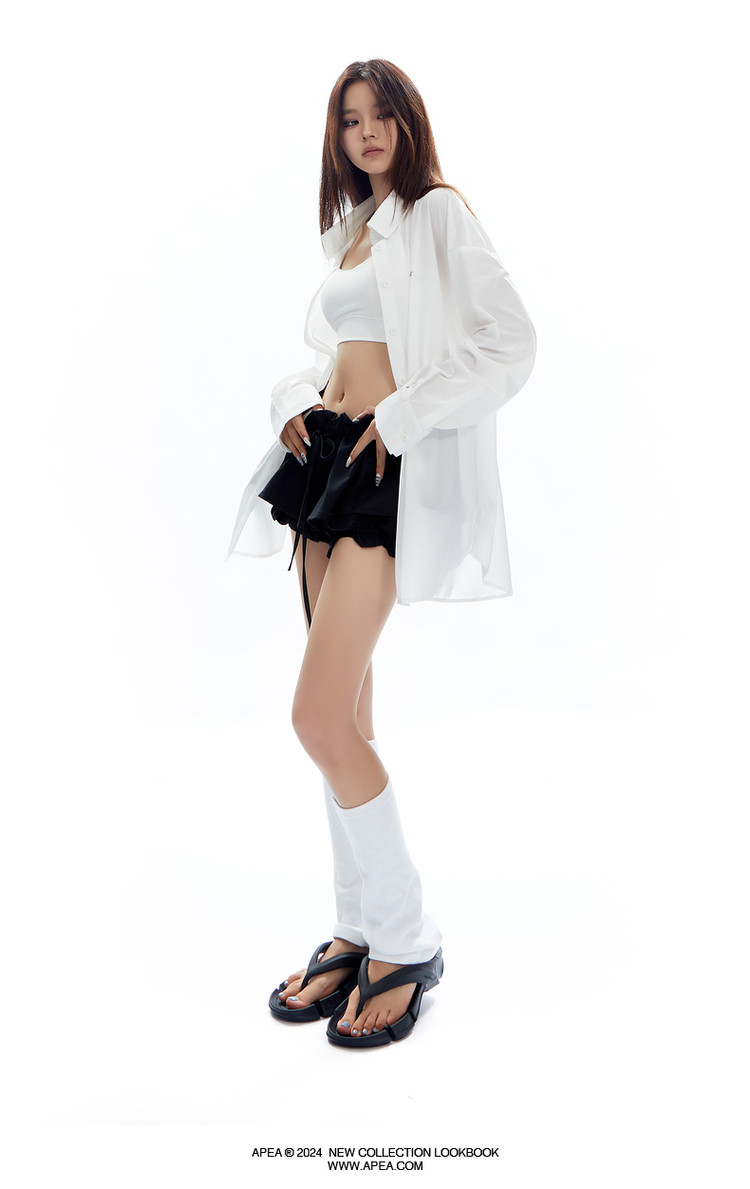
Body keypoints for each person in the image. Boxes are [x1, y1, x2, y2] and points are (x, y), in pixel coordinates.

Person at [225, 59, 537, 1048]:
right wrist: (294, 401)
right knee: (348, 718)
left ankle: (407, 939)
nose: (365, 133)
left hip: (384, 471)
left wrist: (399, 418)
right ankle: (356, 927)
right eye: (349, 120)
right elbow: (340, 359)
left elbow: (509, 342)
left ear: (408, 121)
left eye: (380, 116)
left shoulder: (437, 213)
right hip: (324, 462)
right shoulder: (356, 233)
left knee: (316, 717)